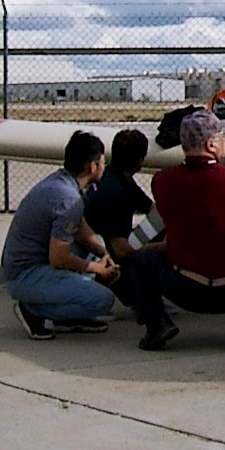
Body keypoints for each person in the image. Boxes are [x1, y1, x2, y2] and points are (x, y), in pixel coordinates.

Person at [130, 109, 225, 352]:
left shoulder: (162, 181)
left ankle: (157, 325)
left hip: (184, 288)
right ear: (211, 143)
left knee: (141, 261)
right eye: (221, 135)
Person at [0, 130, 121, 340]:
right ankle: (33, 311)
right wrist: (96, 268)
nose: (104, 167)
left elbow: (81, 229)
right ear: (92, 166)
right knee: (102, 301)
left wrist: (105, 254)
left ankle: (67, 313)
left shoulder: (64, 183)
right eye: (102, 162)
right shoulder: (67, 198)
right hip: (25, 274)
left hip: (29, 265)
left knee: (94, 250)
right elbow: (59, 258)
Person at [85, 128, 157, 314]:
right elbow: (121, 249)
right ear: (139, 161)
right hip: (100, 254)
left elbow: (152, 209)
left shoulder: (118, 178)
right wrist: (164, 247)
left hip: (98, 247)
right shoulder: (115, 193)